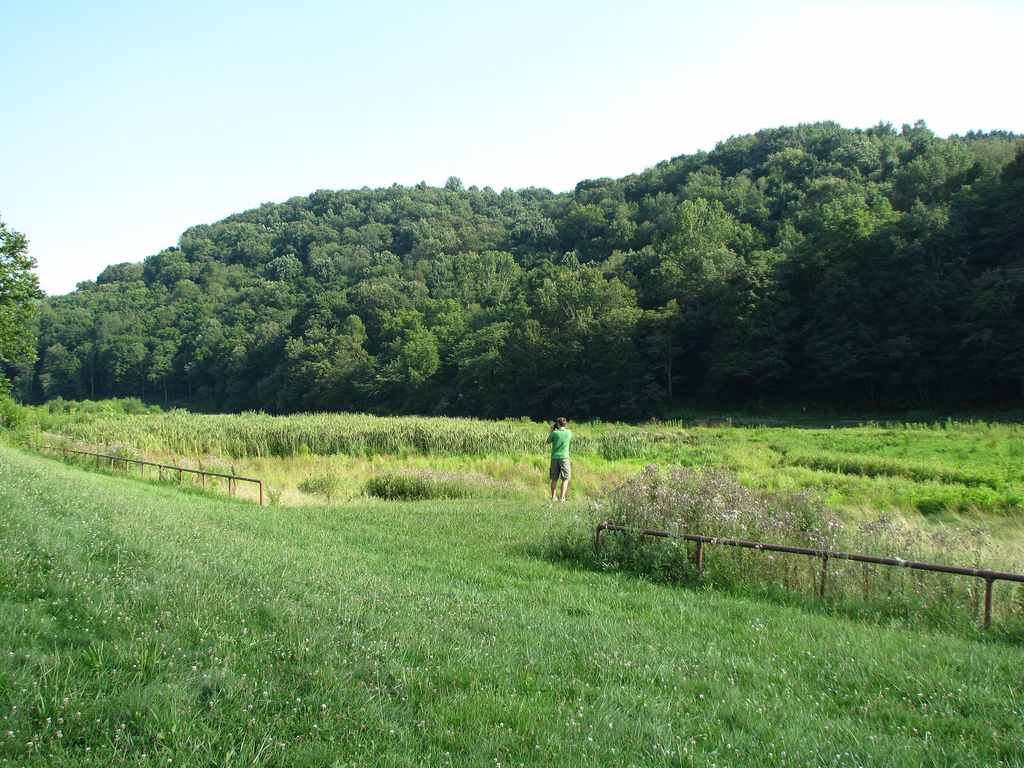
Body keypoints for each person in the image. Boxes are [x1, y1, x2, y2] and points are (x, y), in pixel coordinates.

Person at [546, 416, 572, 502]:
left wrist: (552, 430)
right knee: (565, 478)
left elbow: (547, 441)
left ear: (557, 424)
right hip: (565, 457)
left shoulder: (555, 433)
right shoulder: (569, 432)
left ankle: (553, 497)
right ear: (565, 424)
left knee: (554, 478)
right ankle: (562, 498)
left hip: (554, 457)